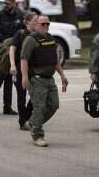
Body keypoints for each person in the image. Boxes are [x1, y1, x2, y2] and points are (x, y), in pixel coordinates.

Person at [21, 15, 68, 147]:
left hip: (50, 79)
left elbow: (55, 61)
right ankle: (37, 135)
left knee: (54, 105)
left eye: (48, 24)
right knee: (39, 107)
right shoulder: (30, 40)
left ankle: (33, 123)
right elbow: (24, 59)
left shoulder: (51, 39)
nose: (46, 26)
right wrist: (24, 77)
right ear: (36, 25)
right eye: (43, 24)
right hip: (36, 79)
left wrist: (63, 76)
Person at [9, 11, 37, 130]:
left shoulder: (38, 34)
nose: (37, 22)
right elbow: (12, 49)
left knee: (36, 94)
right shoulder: (20, 34)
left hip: (33, 70)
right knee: (22, 95)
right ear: (27, 22)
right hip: (20, 70)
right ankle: (22, 122)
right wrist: (12, 65)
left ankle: (26, 116)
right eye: (34, 20)